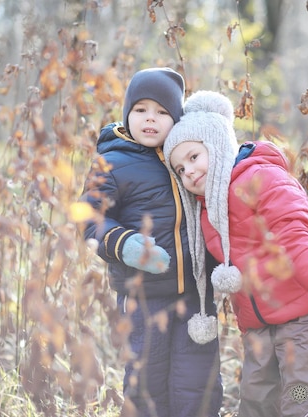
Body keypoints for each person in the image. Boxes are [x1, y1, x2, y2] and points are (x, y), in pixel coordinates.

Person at [163, 90, 308, 417]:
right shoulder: (207, 210)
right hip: (258, 325)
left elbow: (294, 235)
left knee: (301, 398)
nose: (189, 172)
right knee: (257, 401)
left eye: (194, 157)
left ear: (215, 144)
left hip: (302, 317)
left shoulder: (261, 178)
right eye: (180, 169)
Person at [81, 69, 222, 417]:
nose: (150, 119)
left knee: (197, 379)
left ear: (176, 118)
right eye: (141, 109)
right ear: (127, 113)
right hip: (143, 296)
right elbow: (89, 218)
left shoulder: (186, 157)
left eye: (162, 112)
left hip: (194, 294)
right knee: (147, 379)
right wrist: (126, 244)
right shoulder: (111, 162)